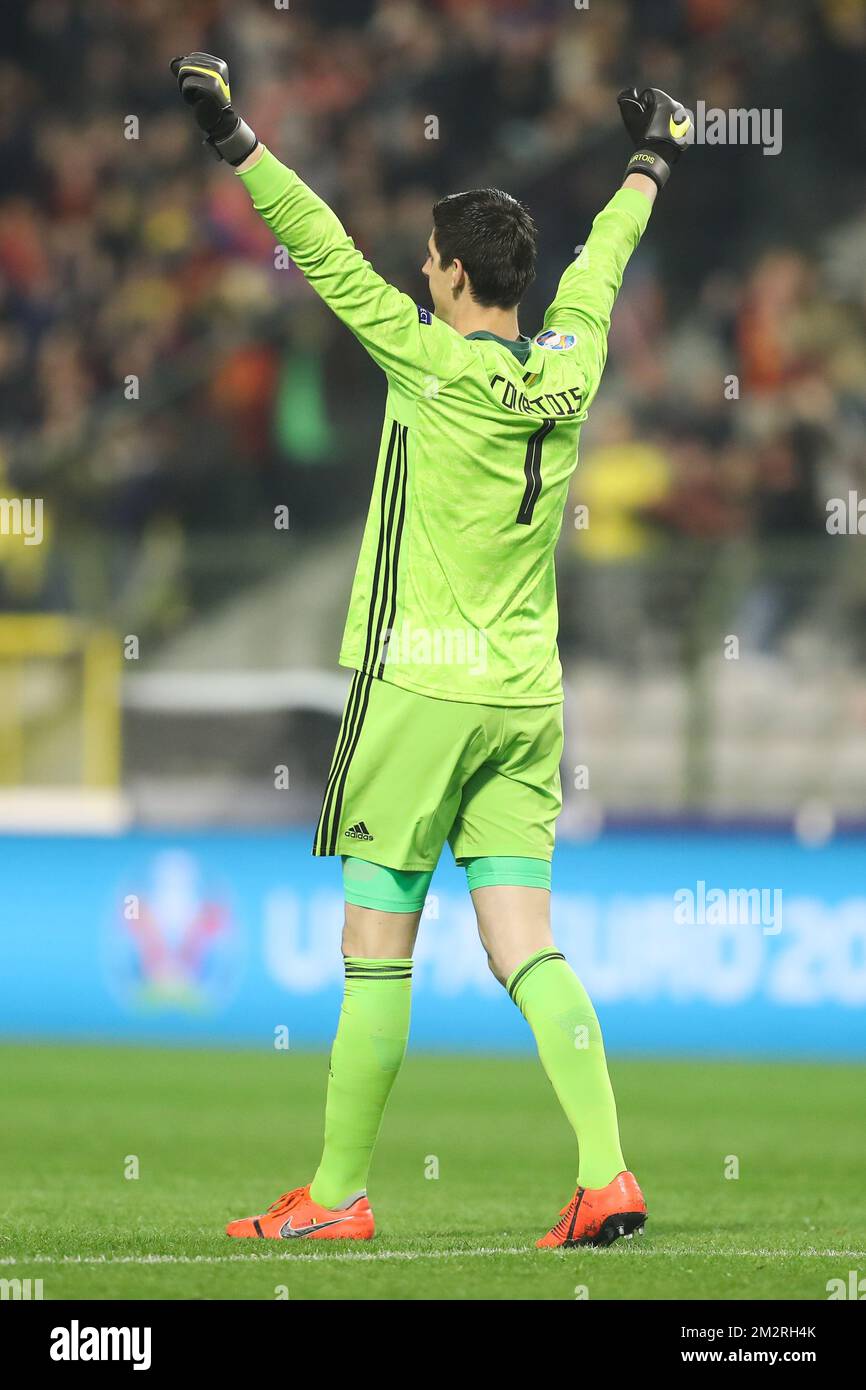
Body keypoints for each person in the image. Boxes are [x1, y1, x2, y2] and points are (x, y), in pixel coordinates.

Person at [171, 53, 690, 1248]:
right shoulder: (573, 361)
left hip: (420, 682)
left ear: (453, 276)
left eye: (428, 263)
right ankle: (605, 1172)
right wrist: (650, 157)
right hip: (525, 697)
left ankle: (339, 1194)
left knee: (373, 940)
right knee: (524, 941)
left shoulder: (430, 359)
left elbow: (322, 249)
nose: (416, 272)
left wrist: (236, 139)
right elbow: (605, 258)